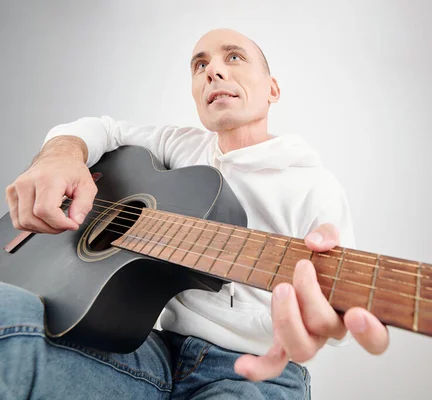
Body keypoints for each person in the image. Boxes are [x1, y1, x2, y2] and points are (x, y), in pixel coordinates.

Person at [1, 28, 389, 399]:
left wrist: (324, 318)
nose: (213, 70)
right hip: (153, 353)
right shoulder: (180, 147)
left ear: (272, 89)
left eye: (234, 57)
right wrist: (59, 156)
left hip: (255, 375)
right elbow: (102, 129)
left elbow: (334, 318)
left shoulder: (315, 185)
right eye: (199, 65)